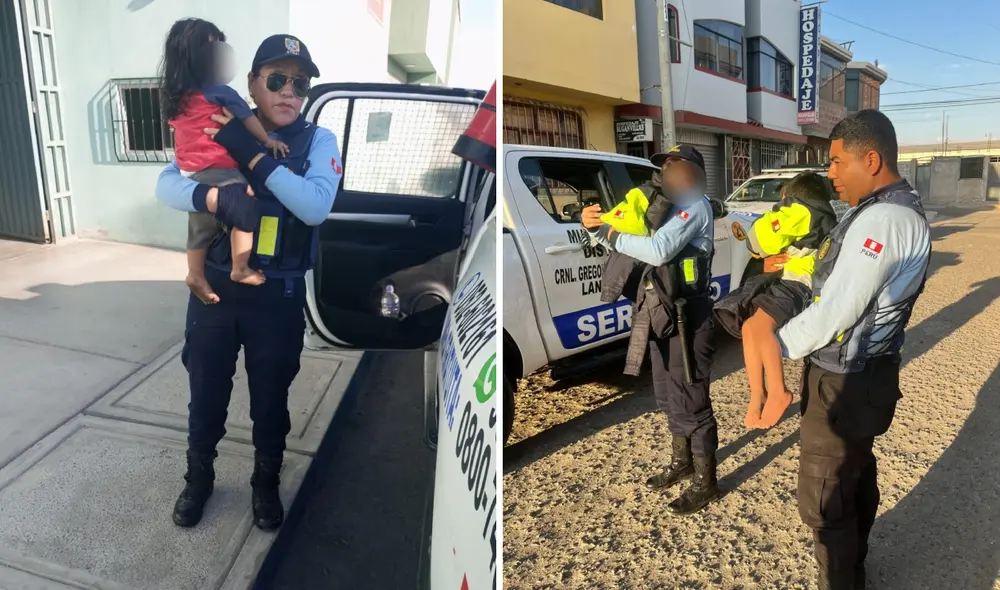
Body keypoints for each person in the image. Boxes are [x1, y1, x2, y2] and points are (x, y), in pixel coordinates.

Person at [154, 27, 342, 532]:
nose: (289, 92)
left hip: (275, 296)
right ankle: (198, 479)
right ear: (253, 83)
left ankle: (265, 482)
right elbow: (167, 182)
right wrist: (212, 199)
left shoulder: (318, 139)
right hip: (215, 291)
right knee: (207, 393)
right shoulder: (219, 117)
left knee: (270, 400)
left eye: (300, 85)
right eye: (277, 79)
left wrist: (254, 158)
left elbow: (316, 205)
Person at [775, 110, 931, 589]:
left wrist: (771, 342)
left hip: (844, 380)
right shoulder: (898, 208)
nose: (831, 174)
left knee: (826, 498)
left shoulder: (882, 219)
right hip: (872, 373)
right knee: (856, 471)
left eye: (838, 162)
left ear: (872, 158)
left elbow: (836, 310)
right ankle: (856, 569)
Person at [581, 145, 720, 515]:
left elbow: (658, 251)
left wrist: (609, 235)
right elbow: (633, 244)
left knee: (692, 399)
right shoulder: (660, 207)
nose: (670, 172)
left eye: (677, 165)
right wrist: (594, 227)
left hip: (689, 318)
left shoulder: (695, 206)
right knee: (668, 394)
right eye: (665, 166)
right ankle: (682, 461)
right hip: (659, 314)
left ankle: (707, 483)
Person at [159, 20, 291, 303]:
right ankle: (240, 267)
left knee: (201, 226)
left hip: (191, 172)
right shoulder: (220, 92)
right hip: (219, 169)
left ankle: (195, 273)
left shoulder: (177, 98)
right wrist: (267, 141)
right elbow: (247, 117)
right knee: (244, 206)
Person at [713, 171, 837, 429]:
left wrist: (777, 211)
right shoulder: (819, 214)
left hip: (796, 285)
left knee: (759, 327)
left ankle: (778, 391)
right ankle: (758, 393)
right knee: (748, 328)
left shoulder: (800, 211)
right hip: (791, 281)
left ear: (793, 196)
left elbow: (759, 240)